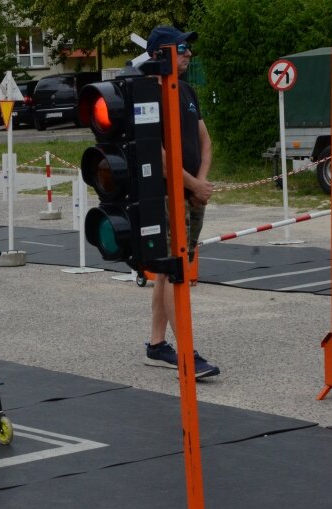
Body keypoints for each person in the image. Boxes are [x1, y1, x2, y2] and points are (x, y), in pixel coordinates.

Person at [142, 25, 220, 378]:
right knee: (176, 272)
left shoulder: (186, 90)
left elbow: (205, 140)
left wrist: (199, 182)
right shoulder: (149, 94)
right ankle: (187, 354)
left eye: (188, 48)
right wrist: (190, 184)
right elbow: (156, 154)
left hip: (191, 194)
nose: (189, 53)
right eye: (182, 49)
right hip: (164, 196)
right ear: (161, 55)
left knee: (167, 270)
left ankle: (157, 344)